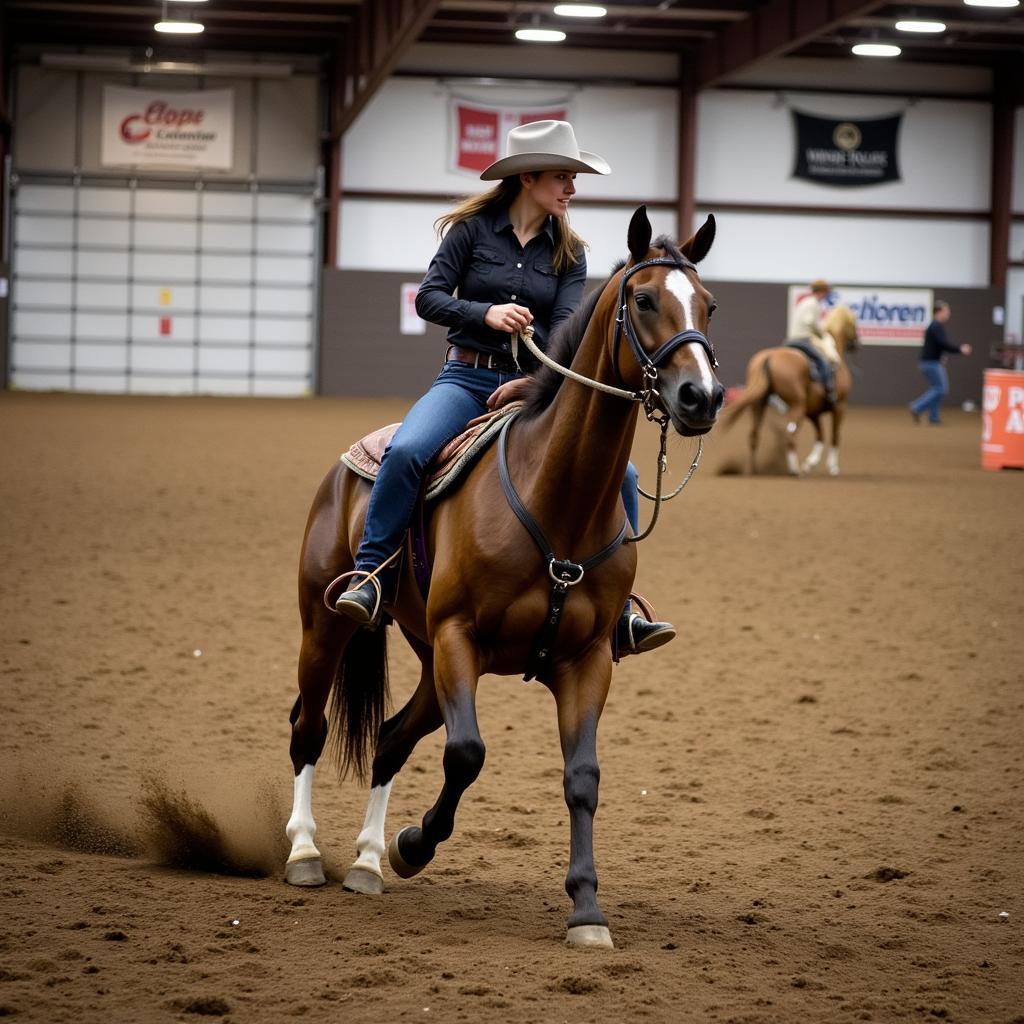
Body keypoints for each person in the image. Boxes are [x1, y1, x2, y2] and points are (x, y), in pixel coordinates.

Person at [332, 119, 674, 656]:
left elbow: (565, 330)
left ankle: (619, 609)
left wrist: (533, 385)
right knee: (410, 450)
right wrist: (484, 312)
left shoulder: (570, 251)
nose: (571, 189)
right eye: (562, 176)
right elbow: (429, 297)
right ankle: (370, 576)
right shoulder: (470, 232)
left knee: (624, 474)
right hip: (464, 378)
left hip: (534, 387)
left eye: (572, 178)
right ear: (527, 178)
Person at [909, 300, 972, 424]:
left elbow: (938, 346)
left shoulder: (935, 326)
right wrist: (961, 349)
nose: (948, 314)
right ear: (939, 312)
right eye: (946, 311)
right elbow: (944, 344)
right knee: (941, 389)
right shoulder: (936, 326)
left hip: (930, 362)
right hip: (931, 363)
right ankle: (917, 407)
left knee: (936, 388)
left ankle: (934, 417)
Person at [791, 278, 840, 403]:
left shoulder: (805, 302)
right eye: (826, 292)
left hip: (791, 339)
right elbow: (810, 322)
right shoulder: (813, 304)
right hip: (803, 339)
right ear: (822, 291)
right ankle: (828, 390)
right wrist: (822, 332)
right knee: (823, 360)